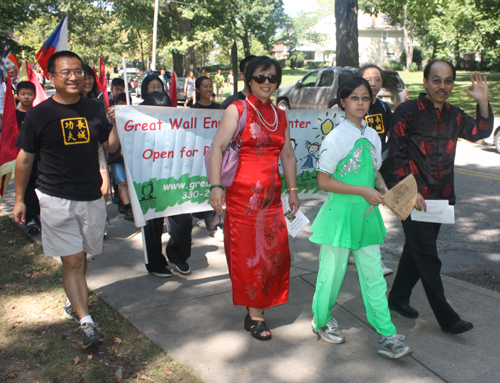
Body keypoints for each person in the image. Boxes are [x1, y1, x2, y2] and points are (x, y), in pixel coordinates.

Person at [13, 51, 119, 349]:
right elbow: (25, 159)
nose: (73, 77)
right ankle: (87, 324)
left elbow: (109, 145)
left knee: (82, 257)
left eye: (77, 71)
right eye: (65, 72)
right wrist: (20, 199)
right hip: (54, 197)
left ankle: (74, 299)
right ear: (50, 77)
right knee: (72, 260)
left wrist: (117, 124)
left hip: (90, 196)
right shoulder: (39, 114)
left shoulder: (94, 108)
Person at [309, 77, 412, 359]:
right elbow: (323, 181)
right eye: (354, 97)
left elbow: (375, 170)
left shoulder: (372, 135)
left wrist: (382, 187)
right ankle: (320, 320)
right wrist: (362, 190)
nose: (360, 103)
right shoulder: (336, 137)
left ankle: (386, 334)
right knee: (331, 274)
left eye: (365, 98)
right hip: (339, 216)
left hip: (366, 215)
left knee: (374, 276)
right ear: (342, 101)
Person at [386, 61, 493, 334]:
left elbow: (480, 131)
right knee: (429, 256)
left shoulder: (455, 115)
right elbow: (396, 155)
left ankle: (397, 299)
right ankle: (447, 318)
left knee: (416, 251)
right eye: (436, 80)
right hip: (413, 198)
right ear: (425, 81)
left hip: (441, 198)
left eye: (447, 81)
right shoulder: (407, 111)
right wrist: (410, 193)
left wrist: (483, 102)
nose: (442, 86)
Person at [209, 56, 299, 341]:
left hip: (272, 201)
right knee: (249, 257)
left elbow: (287, 154)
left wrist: (293, 191)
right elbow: (217, 148)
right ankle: (255, 316)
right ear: (248, 79)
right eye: (260, 77)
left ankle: (258, 308)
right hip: (242, 200)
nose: (266, 83)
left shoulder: (280, 115)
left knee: (275, 256)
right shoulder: (237, 109)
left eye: (272, 78)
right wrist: (215, 186)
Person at [139, 91, 193, 277]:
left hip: (173, 181)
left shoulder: (180, 128)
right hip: (148, 183)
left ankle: (178, 257)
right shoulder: (136, 129)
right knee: (151, 224)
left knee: (184, 220)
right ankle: (155, 263)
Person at [359, 64, 393, 276]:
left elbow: (390, 135)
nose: (373, 84)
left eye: (377, 79)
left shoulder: (383, 107)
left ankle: (369, 256)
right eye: (368, 79)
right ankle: (369, 258)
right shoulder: (354, 106)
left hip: (376, 168)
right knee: (360, 210)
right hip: (355, 170)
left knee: (370, 211)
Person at [190, 76, 224, 242]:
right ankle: (198, 215)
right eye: (205, 86)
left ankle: (216, 224)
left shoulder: (220, 109)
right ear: (197, 90)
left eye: (210, 86)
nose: (209, 89)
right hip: (197, 155)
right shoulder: (192, 110)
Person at [81, 64, 112, 234]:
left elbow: (106, 129)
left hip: (99, 151)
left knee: (104, 188)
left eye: (90, 77)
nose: (87, 81)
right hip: (83, 153)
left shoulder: (98, 100)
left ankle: (98, 222)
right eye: (84, 77)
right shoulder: (72, 104)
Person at [15, 81, 39, 234]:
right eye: (23, 94)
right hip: (20, 156)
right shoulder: (14, 115)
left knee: (38, 186)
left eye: (29, 94)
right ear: (17, 95)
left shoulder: (38, 114)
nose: (26, 97)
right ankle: (31, 219)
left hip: (38, 156)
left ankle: (38, 216)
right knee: (28, 187)